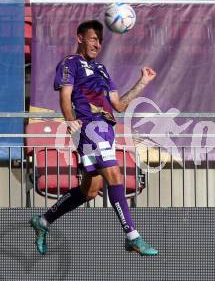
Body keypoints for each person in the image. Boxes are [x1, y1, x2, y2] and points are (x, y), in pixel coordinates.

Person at [30, 20, 158, 256]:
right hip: (89, 128)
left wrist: (142, 83)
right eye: (92, 39)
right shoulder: (70, 63)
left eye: (100, 40)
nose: (97, 44)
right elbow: (65, 96)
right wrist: (70, 122)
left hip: (105, 129)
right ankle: (132, 235)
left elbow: (118, 104)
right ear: (80, 38)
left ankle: (44, 220)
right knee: (114, 173)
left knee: (90, 190)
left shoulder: (102, 69)